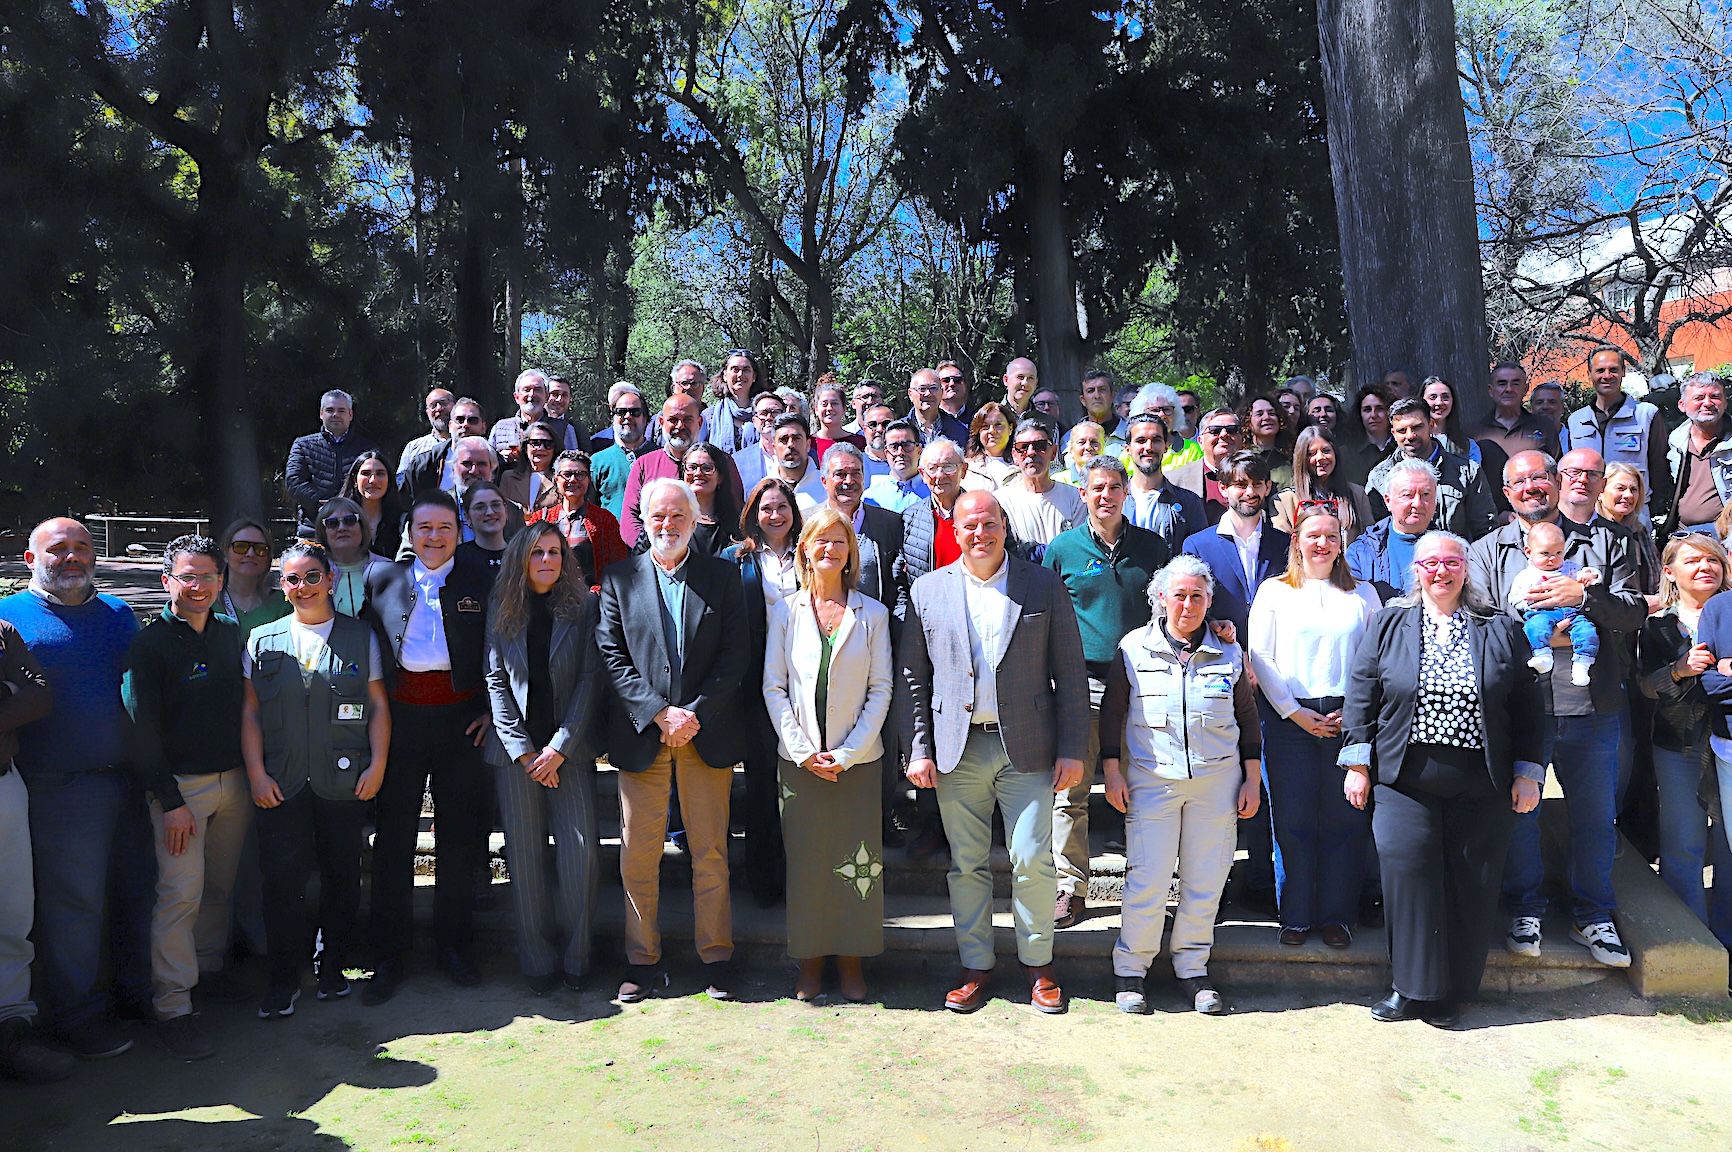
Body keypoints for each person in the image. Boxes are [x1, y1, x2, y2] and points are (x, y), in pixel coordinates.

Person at [1341, 531, 1542, 1026]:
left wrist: (1529, 773)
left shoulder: (1500, 627)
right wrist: (1358, 764)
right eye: (1430, 563)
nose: (1441, 572)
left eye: (1452, 562)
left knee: (1470, 885)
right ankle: (1410, 988)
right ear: (1416, 571)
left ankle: (1452, 992)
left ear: (1465, 569)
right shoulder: (1389, 623)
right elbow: (1362, 694)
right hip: (1405, 778)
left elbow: (1530, 706)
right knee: (1409, 879)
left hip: (1482, 780)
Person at [901, 491, 1088, 1015]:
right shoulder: (928, 590)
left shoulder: (1042, 584)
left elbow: (1070, 671)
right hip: (956, 749)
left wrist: (1074, 749)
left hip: (1027, 748)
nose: (979, 533)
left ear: (1004, 527)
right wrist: (918, 749)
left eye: (989, 523)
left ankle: (1039, 965)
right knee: (966, 865)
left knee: (1032, 859)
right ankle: (975, 966)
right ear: (954, 532)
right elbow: (914, 677)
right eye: (968, 526)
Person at [1470, 450, 1645, 968]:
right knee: (1520, 814)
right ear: (1507, 492)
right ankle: (1525, 908)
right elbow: (1481, 621)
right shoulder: (1486, 551)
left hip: (1593, 709)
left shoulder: (1608, 540)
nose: (1532, 487)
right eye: (1519, 481)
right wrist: (1541, 633)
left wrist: (1582, 600)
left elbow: (1636, 608)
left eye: (1540, 478)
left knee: (1596, 817)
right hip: (1524, 708)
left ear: (1557, 482)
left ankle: (1593, 913)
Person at [0, 518, 152, 1059]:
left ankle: (131, 1000)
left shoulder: (118, 614)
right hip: (59, 786)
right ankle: (76, 1018)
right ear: (29, 557)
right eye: (57, 549)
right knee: (74, 909)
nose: (71, 557)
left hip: (128, 781)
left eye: (81, 548)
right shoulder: (9, 617)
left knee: (134, 893)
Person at [597, 478, 749, 1002]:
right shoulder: (619, 579)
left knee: (709, 852)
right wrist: (659, 713)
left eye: (677, 517)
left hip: (705, 735)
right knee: (639, 854)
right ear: (643, 519)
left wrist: (694, 715)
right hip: (644, 735)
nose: (667, 525)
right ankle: (641, 958)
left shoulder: (723, 577)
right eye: (657, 516)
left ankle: (717, 956)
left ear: (694, 520)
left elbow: (736, 655)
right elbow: (611, 655)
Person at [1101, 555, 1261, 1016]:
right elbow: (1111, 714)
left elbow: (1248, 721)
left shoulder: (1229, 653)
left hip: (1218, 785)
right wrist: (1112, 771)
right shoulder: (1133, 649)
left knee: (1205, 881)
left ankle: (1193, 969)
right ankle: (1132, 970)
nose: (1188, 604)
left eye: (1197, 596)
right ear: (1160, 599)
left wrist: (1251, 778)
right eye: (1179, 595)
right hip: (1154, 782)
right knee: (1147, 880)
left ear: (1209, 601)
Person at [360, 491, 497, 1003]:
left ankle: (454, 948)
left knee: (459, 839)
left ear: (458, 531)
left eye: (443, 527)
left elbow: (499, 648)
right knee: (394, 841)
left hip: (461, 722)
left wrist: (488, 708)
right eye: (424, 528)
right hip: (399, 722)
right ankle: (388, 957)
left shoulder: (481, 581)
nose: (434, 537)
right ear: (409, 533)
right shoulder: (384, 579)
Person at [243, 541, 390, 1019]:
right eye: (291, 578)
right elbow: (250, 714)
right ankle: (283, 979)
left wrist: (377, 765)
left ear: (330, 580)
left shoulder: (359, 636)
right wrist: (256, 774)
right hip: (280, 782)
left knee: (342, 876)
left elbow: (378, 707)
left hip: (343, 779)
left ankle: (332, 971)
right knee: (282, 882)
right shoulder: (262, 640)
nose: (302, 587)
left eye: (311, 577)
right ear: (281, 585)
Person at [124, 536, 250, 1060]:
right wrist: (168, 799)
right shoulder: (149, 646)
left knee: (219, 888)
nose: (198, 587)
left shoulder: (229, 633)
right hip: (180, 792)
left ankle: (209, 975)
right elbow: (139, 729)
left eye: (208, 577)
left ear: (221, 581)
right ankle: (173, 1007)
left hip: (235, 783)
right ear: (168, 581)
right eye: (188, 577)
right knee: (180, 896)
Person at [764, 510, 894, 1002]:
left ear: (850, 552)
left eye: (839, 541)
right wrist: (804, 753)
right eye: (820, 540)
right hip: (799, 767)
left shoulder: (873, 615)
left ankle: (853, 961)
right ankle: (812, 964)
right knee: (808, 867)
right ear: (805, 549)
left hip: (856, 765)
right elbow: (774, 688)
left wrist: (847, 753)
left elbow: (881, 689)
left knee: (858, 866)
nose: (830, 549)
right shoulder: (783, 612)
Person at [1042, 457, 1170, 929]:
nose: (1106, 496)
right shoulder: (1063, 549)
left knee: (1146, 791)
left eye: (1115, 487)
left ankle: (1147, 884)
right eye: (1097, 488)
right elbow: (1048, 617)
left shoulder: (1153, 549)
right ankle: (1070, 887)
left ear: (1125, 493)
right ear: (1083, 493)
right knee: (1070, 792)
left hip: (1143, 686)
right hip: (1082, 687)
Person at [1248, 509, 1380, 948]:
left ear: (1341, 544)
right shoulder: (1274, 592)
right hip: (1289, 721)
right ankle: (1297, 914)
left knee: (1346, 820)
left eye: (1331, 536)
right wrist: (1292, 711)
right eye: (1313, 536)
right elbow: (1260, 656)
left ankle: (1337, 916)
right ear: (1297, 544)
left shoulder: (1364, 596)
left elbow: (1374, 660)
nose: (1321, 543)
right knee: (1293, 819)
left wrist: (1356, 712)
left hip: (1348, 719)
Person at [483, 523, 604, 994]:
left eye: (555, 552)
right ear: (521, 560)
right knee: (526, 859)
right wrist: (525, 751)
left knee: (581, 856)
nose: (547, 560)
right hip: (516, 757)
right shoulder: (501, 608)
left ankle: (578, 957)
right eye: (537, 553)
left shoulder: (584, 608)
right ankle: (536, 960)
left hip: (568, 753)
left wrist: (557, 749)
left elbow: (591, 681)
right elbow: (495, 681)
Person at [1639, 533, 1732, 957]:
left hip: (1728, 739)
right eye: (1693, 561)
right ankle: (1693, 942)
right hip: (1678, 744)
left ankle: (1727, 942)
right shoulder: (1658, 625)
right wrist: (1678, 670)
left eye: (1713, 560)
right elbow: (1644, 685)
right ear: (1671, 572)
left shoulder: (1730, 614)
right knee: (1683, 844)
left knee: (1729, 848)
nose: (1705, 568)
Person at [724, 479, 804, 907]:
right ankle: (765, 882)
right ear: (753, 513)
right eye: (766, 508)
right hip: (755, 683)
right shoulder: (735, 560)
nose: (775, 515)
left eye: (781, 507)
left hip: (806, 681)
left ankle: (805, 876)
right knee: (761, 783)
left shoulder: (811, 553)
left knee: (801, 779)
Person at [0, 609, 62, 1083]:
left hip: (4, 785)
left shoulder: (1, 632)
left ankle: (12, 1031)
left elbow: (38, 697)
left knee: (13, 912)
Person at [1181, 451, 1290, 637]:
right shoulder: (1197, 546)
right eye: (1241, 485)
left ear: (1268, 487)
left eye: (1257, 484)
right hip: (1219, 651)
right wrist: (1212, 624)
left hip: (1276, 649)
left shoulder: (1285, 545)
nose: (1250, 492)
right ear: (1223, 488)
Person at [621, 393, 745, 547]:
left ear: (699, 423)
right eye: (673, 420)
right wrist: (653, 552)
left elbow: (736, 508)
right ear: (661, 422)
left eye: (688, 419)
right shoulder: (645, 464)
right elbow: (630, 520)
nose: (680, 426)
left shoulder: (722, 461)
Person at [1565, 345, 1671, 522]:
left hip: (1633, 514)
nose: (1607, 376)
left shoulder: (1646, 414)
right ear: (1589, 374)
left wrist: (1647, 509)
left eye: (1613, 370)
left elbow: (1659, 467)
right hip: (1587, 515)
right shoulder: (1576, 420)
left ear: (1623, 372)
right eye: (1600, 370)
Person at [1367, 398, 1497, 541]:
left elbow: (1486, 531)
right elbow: (1374, 534)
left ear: (1431, 425)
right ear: (1393, 433)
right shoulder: (1380, 476)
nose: (1410, 436)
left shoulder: (1467, 472)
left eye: (1416, 427)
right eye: (1402, 430)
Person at [1509, 520, 1603, 684]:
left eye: (1559, 552)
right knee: (1534, 627)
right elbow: (1513, 598)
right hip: (1542, 612)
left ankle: (1582, 665)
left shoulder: (1569, 568)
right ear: (1529, 552)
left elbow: (1591, 576)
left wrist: (1590, 576)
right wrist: (1530, 602)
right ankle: (1543, 656)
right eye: (1545, 553)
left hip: (1572, 612)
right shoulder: (1526, 576)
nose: (1552, 558)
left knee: (1588, 631)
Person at [526, 450, 630, 591]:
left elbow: (619, 566)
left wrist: (598, 593)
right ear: (556, 479)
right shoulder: (540, 519)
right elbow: (526, 562)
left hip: (590, 602)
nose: (573, 480)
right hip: (548, 601)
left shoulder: (604, 520)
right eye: (567, 474)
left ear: (589, 479)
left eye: (580, 474)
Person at [285, 390, 379, 536]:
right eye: (330, 410)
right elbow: (294, 482)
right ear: (321, 413)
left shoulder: (367, 449)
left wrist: (346, 508)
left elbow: (374, 484)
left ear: (350, 415)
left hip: (354, 527)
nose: (336, 415)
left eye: (341, 410)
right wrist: (324, 505)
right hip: (313, 528)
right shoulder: (302, 445)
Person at [1346, 459, 1440, 602]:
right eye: (1408, 495)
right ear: (1388, 501)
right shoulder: (1361, 553)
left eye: (1426, 494)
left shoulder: (1451, 551)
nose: (1417, 503)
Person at [1271, 425, 1375, 545]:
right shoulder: (1284, 502)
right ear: (1302, 459)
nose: (1320, 457)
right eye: (1311, 453)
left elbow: (1369, 541)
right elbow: (1282, 549)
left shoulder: (1357, 494)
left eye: (1326, 451)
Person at [997, 418, 1085, 556]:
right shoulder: (1001, 502)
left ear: (1054, 452)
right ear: (1014, 455)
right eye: (1023, 447)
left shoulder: (1075, 498)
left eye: (1040, 445)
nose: (1031, 452)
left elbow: (1078, 550)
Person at [1121, 413, 1205, 553]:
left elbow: (1199, 556)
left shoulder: (1189, 502)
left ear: (1166, 446)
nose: (1149, 447)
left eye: (1156, 440)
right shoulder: (1114, 501)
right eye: (1141, 440)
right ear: (1127, 449)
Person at [1665, 372, 1732, 535]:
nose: (1707, 403)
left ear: (1724, 403)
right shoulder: (1676, 440)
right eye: (1699, 398)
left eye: (1715, 397)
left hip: (1725, 534)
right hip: (1682, 533)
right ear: (1682, 405)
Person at [1470, 363, 1561, 481]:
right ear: (1491, 390)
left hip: (1534, 497)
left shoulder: (1545, 426)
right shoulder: (1473, 430)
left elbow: (1557, 471)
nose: (1509, 389)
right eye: (1502, 384)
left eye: (1515, 384)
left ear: (1525, 389)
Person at [398, 398, 486, 503]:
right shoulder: (423, 464)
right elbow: (406, 503)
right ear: (450, 426)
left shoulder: (498, 464)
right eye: (460, 420)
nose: (465, 425)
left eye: (473, 420)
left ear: (483, 427)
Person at [491, 370, 585, 468]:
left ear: (546, 397)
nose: (532, 395)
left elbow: (573, 467)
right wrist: (501, 459)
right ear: (516, 397)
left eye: (538, 390)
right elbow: (488, 466)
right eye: (526, 390)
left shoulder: (564, 429)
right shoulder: (500, 428)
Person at [1600, 463, 1664, 605]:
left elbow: (1657, 578)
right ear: (1600, 491)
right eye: (1620, 488)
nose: (1628, 495)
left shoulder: (1640, 532)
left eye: (1633, 489)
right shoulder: (1591, 533)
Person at [219, 518, 292, 641]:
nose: (250, 554)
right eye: (241, 547)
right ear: (226, 553)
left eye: (260, 549)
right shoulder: (208, 601)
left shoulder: (284, 604)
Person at [591, 383, 653, 518]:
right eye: (621, 412)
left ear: (645, 418)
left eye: (635, 412)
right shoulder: (596, 462)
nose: (628, 416)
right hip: (610, 538)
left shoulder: (660, 457)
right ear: (613, 417)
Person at [315, 497, 384, 617]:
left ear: (362, 527)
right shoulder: (314, 575)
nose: (341, 528)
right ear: (323, 532)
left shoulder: (387, 569)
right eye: (332, 523)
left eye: (350, 520)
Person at [677, 441, 746, 558]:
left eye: (707, 468)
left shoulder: (738, 523)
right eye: (692, 467)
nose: (698, 473)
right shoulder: (672, 519)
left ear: (720, 477)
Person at [341, 450, 405, 562]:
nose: (373, 480)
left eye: (380, 473)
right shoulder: (339, 520)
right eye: (366, 473)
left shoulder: (403, 521)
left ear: (389, 480)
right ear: (354, 479)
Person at [705, 351, 766, 453]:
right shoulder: (709, 416)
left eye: (746, 370)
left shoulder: (765, 414)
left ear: (754, 377)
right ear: (725, 375)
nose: (740, 375)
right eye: (735, 370)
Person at [863, 420, 930, 512]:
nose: (900, 452)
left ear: (919, 451)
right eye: (894, 447)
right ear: (886, 453)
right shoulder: (871, 497)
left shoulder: (934, 491)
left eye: (907, 445)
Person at [1196, 408, 1247, 524]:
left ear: (1242, 439)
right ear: (1200, 442)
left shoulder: (1259, 476)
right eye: (1215, 430)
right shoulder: (1176, 479)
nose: (1224, 435)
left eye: (1232, 430)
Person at [498, 421, 561, 513]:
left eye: (548, 444)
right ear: (525, 446)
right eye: (535, 443)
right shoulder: (508, 478)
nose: (541, 448)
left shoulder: (560, 480)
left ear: (554, 449)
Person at [1338, 383, 1394, 487]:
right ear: (1359, 415)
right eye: (1367, 410)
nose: (1373, 415)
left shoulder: (1403, 449)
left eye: (1380, 408)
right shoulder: (1345, 454)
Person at [732, 390, 788, 492]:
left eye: (775, 412)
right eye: (763, 413)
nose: (769, 418)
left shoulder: (798, 453)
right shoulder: (738, 461)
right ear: (754, 421)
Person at [1419, 377, 1482, 465]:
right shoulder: (1412, 442)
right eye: (1433, 397)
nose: (1439, 402)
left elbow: (1474, 476)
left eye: (1445, 397)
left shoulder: (1468, 446)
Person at [397, 388, 455, 481]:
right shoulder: (413, 447)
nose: (439, 408)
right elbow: (401, 482)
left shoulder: (469, 444)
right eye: (433, 405)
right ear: (427, 412)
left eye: (443, 402)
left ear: (455, 406)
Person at [459, 480, 518, 569]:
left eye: (496, 505)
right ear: (467, 517)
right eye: (480, 507)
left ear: (505, 510)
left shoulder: (521, 556)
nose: (490, 512)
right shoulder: (456, 560)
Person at [1241, 395, 1294, 488]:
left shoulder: (1291, 458)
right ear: (1247, 421)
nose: (1266, 417)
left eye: (1272, 413)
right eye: (1259, 414)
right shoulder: (1240, 458)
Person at [962, 402, 1018, 489]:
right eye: (985, 426)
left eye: (998, 425)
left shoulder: (1022, 465)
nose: (992, 431)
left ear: (1010, 429)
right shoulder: (966, 467)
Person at [907, 368, 969, 447]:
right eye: (922, 389)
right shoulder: (899, 431)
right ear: (910, 394)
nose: (928, 394)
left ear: (941, 392)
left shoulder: (959, 430)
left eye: (933, 388)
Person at [811, 380, 866, 459]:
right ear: (816, 410)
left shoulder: (859, 442)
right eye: (824, 404)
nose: (829, 408)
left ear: (844, 409)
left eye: (835, 403)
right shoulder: (808, 444)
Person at [1053, 421, 1106, 487]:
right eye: (1081, 442)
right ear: (1071, 449)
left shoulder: (1112, 479)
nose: (1088, 447)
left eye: (1094, 442)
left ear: (1103, 447)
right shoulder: (1057, 482)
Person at [1527, 382, 1572, 454]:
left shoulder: (1574, 441)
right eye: (1539, 402)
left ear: (1562, 408)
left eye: (1552, 402)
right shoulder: (1522, 441)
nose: (1545, 407)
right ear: (1531, 408)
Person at [857, 403, 895, 484]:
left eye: (886, 424)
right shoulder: (855, 463)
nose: (879, 429)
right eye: (872, 425)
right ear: (864, 430)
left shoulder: (910, 461)